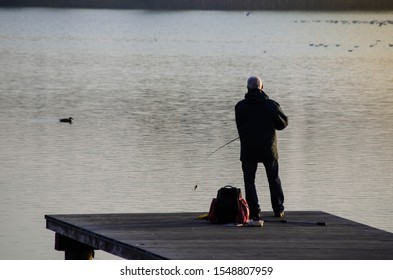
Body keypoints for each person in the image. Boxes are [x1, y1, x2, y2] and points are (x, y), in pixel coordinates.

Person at [235, 76, 288, 221]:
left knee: (249, 181)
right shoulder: (271, 105)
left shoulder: (240, 106)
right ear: (262, 87)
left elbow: (240, 126)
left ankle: (254, 211)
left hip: (249, 149)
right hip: (268, 149)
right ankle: (278, 209)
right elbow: (282, 124)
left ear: (248, 89)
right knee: (273, 179)